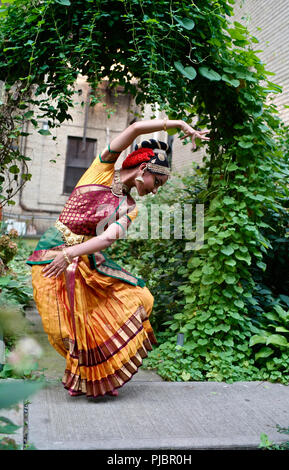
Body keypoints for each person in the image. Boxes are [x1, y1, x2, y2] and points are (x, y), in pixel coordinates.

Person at [27, 118, 209, 398]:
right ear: (144, 169)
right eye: (157, 181)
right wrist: (180, 124)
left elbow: (108, 237)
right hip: (51, 251)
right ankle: (85, 374)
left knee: (136, 301)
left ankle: (99, 375)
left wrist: (70, 254)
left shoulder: (131, 208)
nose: (156, 189)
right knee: (59, 327)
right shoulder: (101, 169)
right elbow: (135, 130)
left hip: (84, 260)